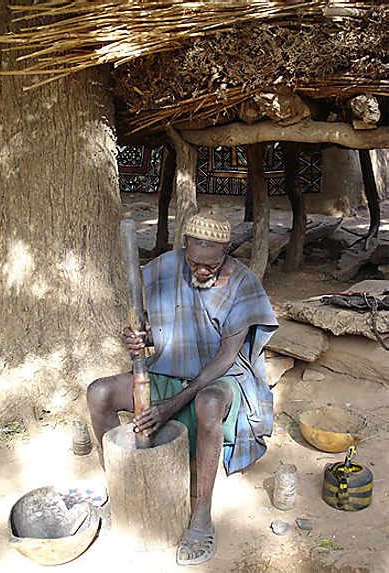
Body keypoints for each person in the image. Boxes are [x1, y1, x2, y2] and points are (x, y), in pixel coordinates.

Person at [87, 209, 278, 566]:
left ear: (225, 252)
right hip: (165, 371)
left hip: (219, 379)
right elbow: (138, 325)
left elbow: (225, 359)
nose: (201, 270)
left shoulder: (243, 283)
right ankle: (120, 484)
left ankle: (202, 516)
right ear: (186, 247)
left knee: (206, 405)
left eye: (211, 263)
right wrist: (134, 337)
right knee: (99, 393)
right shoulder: (163, 268)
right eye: (194, 261)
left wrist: (174, 403)